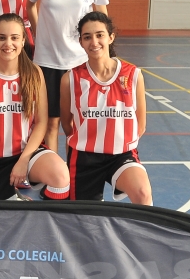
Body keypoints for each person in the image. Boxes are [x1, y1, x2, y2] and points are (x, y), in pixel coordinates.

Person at [26, 0, 108, 152]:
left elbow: (102, 18)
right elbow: (29, 5)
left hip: (79, 62)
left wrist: (103, 52)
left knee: (76, 123)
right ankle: (55, 171)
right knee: (50, 124)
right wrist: (38, 30)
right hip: (47, 61)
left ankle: (75, 165)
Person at [60, 11, 152, 205]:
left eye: (99, 35)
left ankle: (145, 228)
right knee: (84, 217)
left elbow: (140, 124)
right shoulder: (70, 79)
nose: (94, 42)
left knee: (142, 193)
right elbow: (67, 124)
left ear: (111, 37)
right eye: (87, 37)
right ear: (81, 42)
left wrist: (119, 141)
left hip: (121, 155)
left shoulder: (133, 75)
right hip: (84, 157)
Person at [0, 13, 70, 201]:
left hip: (26, 153)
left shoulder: (34, 73)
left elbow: (41, 123)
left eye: (14, 38)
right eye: (2, 38)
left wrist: (24, 160)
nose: (8, 44)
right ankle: (13, 197)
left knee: (60, 176)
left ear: (23, 40)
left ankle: (45, 216)